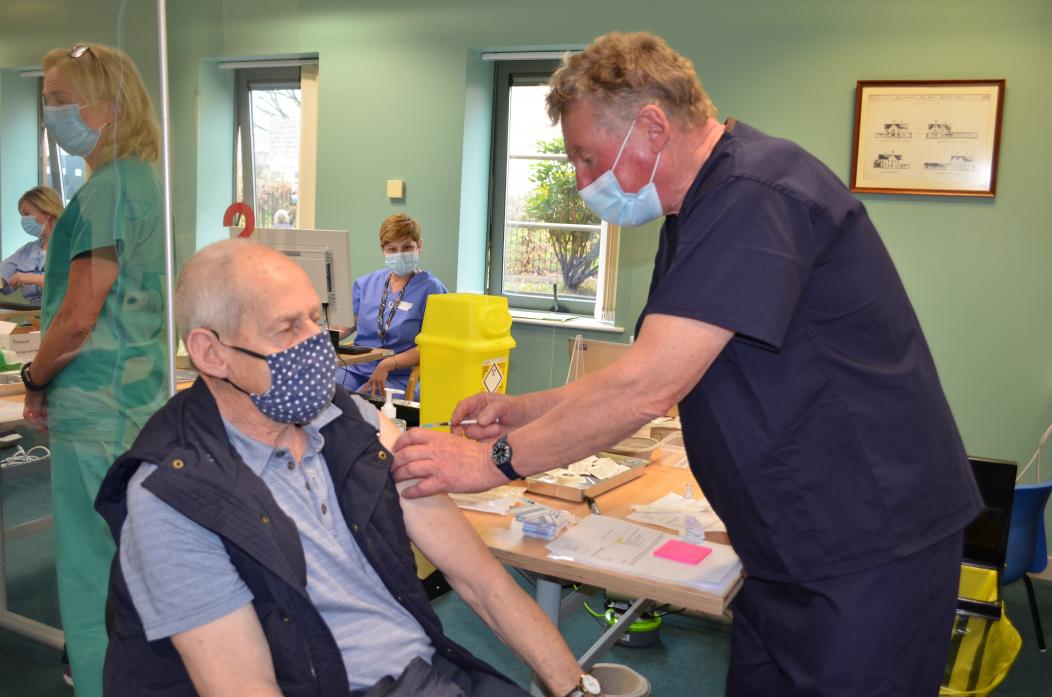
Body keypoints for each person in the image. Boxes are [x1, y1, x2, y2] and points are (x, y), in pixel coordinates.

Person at [392, 31, 983, 697]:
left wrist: (493, 460)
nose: (583, 183)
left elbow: (647, 387)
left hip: (867, 546)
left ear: (651, 126)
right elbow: (648, 368)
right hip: (785, 550)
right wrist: (519, 409)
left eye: (587, 159)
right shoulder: (698, 211)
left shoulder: (758, 194)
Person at [94, 239, 600, 697]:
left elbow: (482, 580)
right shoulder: (173, 496)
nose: (318, 344)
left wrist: (575, 690)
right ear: (211, 352)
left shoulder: (354, 422)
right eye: (287, 328)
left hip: (422, 674)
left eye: (316, 318)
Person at [24, 43, 166, 696]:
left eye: (60, 99)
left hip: (94, 406)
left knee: (92, 568)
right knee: (130, 561)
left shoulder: (107, 190)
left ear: (106, 108)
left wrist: (33, 379)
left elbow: (79, 316)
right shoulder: (139, 179)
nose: (50, 111)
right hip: (133, 399)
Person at [337, 213, 447, 398]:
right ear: (384, 250)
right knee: (324, 391)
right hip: (357, 368)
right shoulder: (367, 284)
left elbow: (431, 348)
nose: (400, 254)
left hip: (398, 374)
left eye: (407, 247)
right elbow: (345, 326)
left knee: (361, 404)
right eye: (392, 249)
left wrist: (388, 363)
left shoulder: (431, 289)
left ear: (419, 246)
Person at [1, 186, 63, 305]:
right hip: (34, 319)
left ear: (48, 212)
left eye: (27, 213)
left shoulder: (73, 246)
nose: (23, 219)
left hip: (64, 316)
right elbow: (3, 275)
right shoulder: (27, 251)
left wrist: (34, 279)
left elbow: (76, 283)